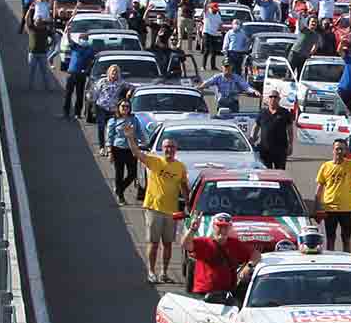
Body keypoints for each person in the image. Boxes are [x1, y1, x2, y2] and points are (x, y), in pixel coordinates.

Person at [123, 123, 186, 283]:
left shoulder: (180, 167)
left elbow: (184, 188)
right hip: (154, 209)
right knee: (153, 243)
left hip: (171, 211)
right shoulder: (154, 162)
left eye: (171, 147)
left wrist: (189, 205)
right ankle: (151, 272)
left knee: (168, 244)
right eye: (166, 147)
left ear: (175, 149)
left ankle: (164, 273)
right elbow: (136, 153)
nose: (169, 150)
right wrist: (130, 137)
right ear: (162, 148)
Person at [183, 211, 260, 301]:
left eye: (225, 227)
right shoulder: (203, 243)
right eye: (219, 226)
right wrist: (192, 230)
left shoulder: (235, 244)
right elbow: (186, 245)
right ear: (213, 227)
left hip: (226, 294)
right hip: (204, 294)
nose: (222, 230)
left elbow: (256, 254)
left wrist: (248, 267)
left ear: (230, 228)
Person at [314, 139, 351, 251]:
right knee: (330, 239)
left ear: (346, 151)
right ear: (333, 150)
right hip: (329, 208)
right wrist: (316, 208)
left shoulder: (350, 164)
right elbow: (319, 189)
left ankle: (347, 262)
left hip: (346, 209)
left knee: (346, 239)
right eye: (337, 148)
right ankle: (331, 261)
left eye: (342, 149)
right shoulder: (325, 166)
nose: (339, 151)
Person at [103, 100, 148, 203]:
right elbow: (109, 137)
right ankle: (121, 197)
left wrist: (145, 142)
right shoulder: (113, 121)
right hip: (118, 149)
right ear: (118, 107)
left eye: (127, 106)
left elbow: (139, 132)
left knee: (132, 173)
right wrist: (110, 152)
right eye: (123, 106)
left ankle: (119, 189)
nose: (125, 108)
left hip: (131, 149)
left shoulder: (134, 119)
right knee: (119, 173)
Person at [252, 90, 295, 170]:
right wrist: (252, 139)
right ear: (267, 99)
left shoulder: (285, 113)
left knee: (280, 173)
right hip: (265, 150)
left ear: (279, 99)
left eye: (275, 97)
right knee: (266, 174)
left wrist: (290, 145)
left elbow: (290, 131)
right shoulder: (262, 112)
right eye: (271, 97)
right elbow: (256, 127)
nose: (273, 99)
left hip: (280, 150)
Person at [88, 64, 132, 131]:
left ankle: (110, 140)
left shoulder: (121, 82)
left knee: (112, 126)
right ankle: (101, 141)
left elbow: (131, 86)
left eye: (116, 72)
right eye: (113, 71)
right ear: (109, 72)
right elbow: (95, 93)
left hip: (113, 108)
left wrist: (129, 91)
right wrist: (93, 106)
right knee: (101, 126)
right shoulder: (102, 81)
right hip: (101, 106)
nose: (114, 73)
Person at [62, 33, 96, 120]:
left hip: (81, 75)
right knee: (68, 94)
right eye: (82, 39)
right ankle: (66, 112)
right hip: (71, 73)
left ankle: (77, 113)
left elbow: (92, 62)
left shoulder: (90, 50)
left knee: (79, 94)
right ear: (79, 39)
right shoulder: (76, 46)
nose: (83, 40)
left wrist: (87, 70)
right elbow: (69, 40)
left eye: (85, 39)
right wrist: (68, 32)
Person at [25, 7, 53, 91]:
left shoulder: (45, 30)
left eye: (39, 22)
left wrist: (49, 44)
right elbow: (26, 19)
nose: (38, 23)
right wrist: (29, 11)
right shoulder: (32, 28)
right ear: (35, 21)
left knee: (45, 72)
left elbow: (54, 37)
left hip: (43, 54)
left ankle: (48, 88)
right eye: (37, 21)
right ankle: (30, 87)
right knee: (31, 72)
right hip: (32, 53)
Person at [200, 1, 223, 70]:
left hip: (214, 34)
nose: (215, 10)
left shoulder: (218, 15)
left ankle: (213, 66)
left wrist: (222, 31)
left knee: (214, 51)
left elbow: (220, 24)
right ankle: (203, 66)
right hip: (206, 33)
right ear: (211, 8)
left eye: (216, 9)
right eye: (214, 9)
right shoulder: (207, 13)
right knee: (207, 50)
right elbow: (204, 6)